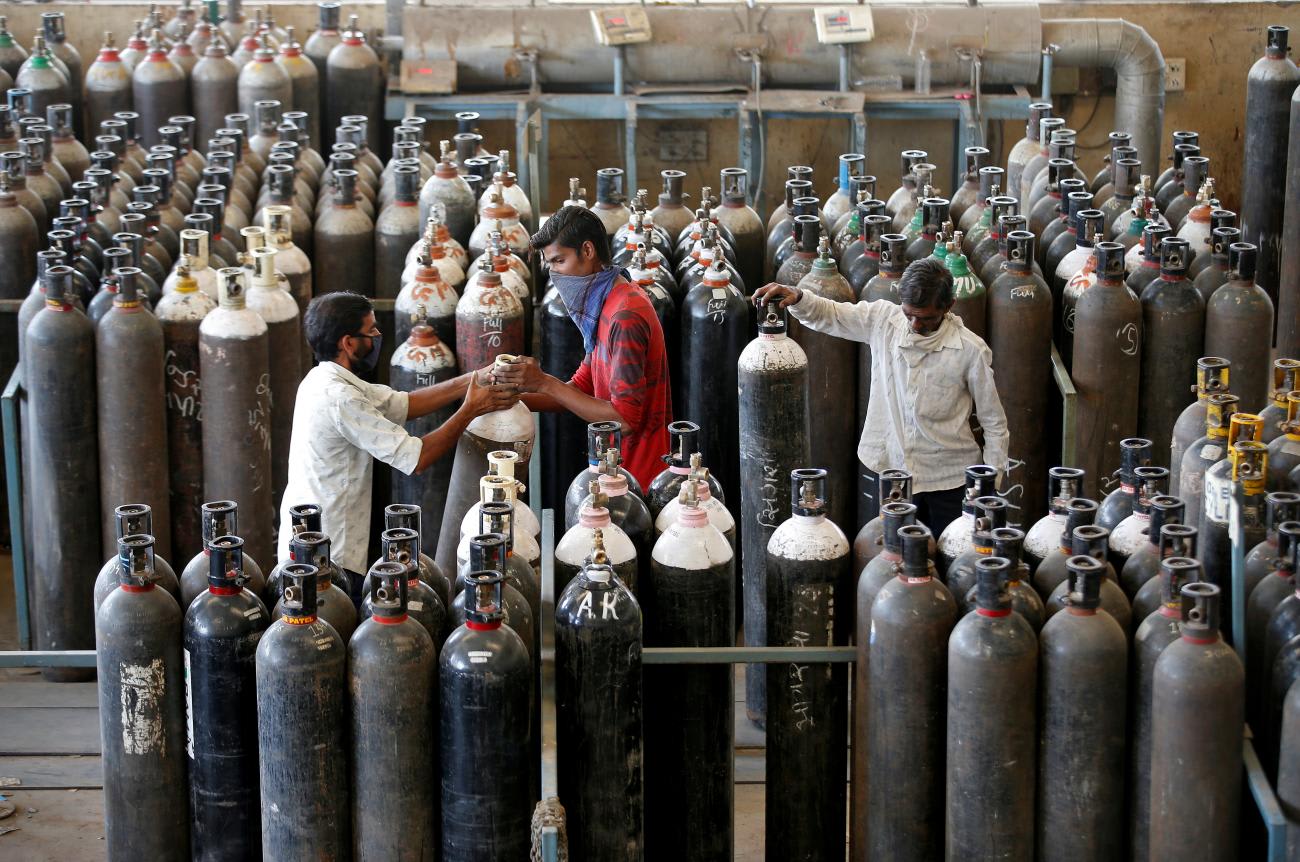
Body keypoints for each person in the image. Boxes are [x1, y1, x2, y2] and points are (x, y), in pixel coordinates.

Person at [278, 291, 517, 599]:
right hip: (329, 552)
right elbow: (417, 459)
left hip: (317, 536)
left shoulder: (322, 379)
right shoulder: (340, 398)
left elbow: (405, 403)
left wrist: (475, 378)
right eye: (371, 331)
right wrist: (470, 409)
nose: (378, 336)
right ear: (348, 343)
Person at [753, 258, 1008, 531]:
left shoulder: (970, 350)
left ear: (949, 307)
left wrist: (988, 487)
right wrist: (799, 297)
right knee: (891, 563)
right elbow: (832, 315)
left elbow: (994, 424)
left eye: (926, 318)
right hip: (893, 475)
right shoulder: (883, 321)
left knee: (950, 563)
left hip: (949, 481)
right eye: (909, 314)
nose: (914, 324)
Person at [494, 205, 671, 490]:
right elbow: (580, 388)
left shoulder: (625, 316)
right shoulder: (604, 304)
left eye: (559, 261)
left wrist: (544, 382)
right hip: (611, 469)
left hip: (638, 480)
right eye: (549, 265)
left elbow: (624, 420)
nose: (554, 274)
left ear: (587, 251)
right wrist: (509, 396)